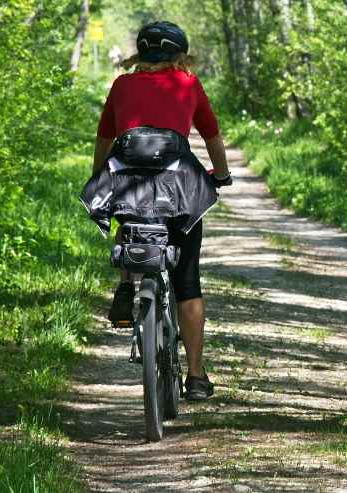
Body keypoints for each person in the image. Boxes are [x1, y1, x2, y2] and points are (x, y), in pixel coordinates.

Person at [92, 21, 232, 400]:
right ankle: (197, 376)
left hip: (128, 182)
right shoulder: (188, 83)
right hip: (179, 186)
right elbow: (212, 136)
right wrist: (221, 176)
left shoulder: (122, 85)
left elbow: (105, 139)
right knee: (188, 282)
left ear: (140, 53)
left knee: (129, 214)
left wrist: (98, 177)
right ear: (179, 54)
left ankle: (125, 284)